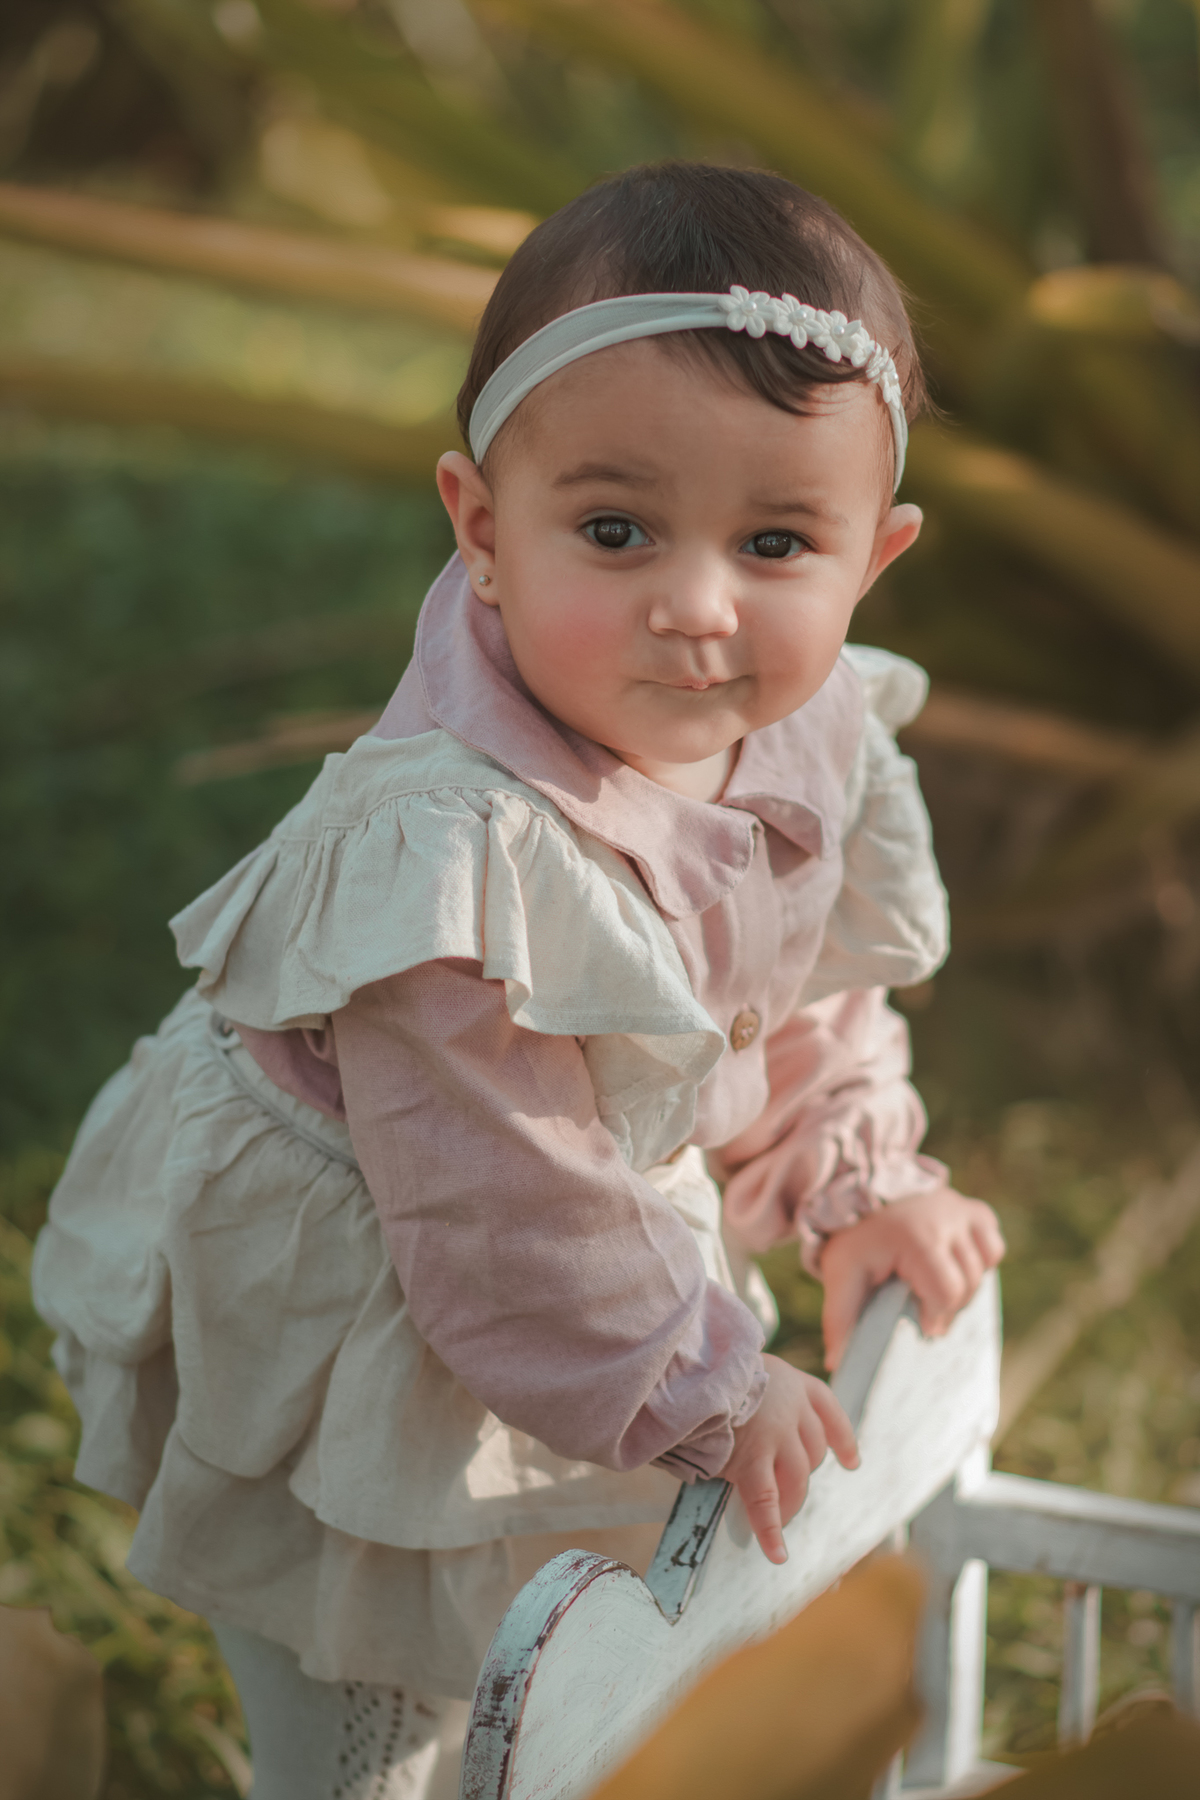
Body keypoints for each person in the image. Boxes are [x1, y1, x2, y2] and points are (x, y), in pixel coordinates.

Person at [33, 162, 1005, 1798]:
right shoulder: (448, 854)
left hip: (556, 1230)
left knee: (568, 1659)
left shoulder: (811, 726)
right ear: (484, 528)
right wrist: (703, 1386)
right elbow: (501, 1202)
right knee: (379, 1677)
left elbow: (796, 983)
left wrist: (853, 1185)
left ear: (874, 556)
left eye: (778, 541)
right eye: (614, 530)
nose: (698, 608)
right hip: (380, 1254)